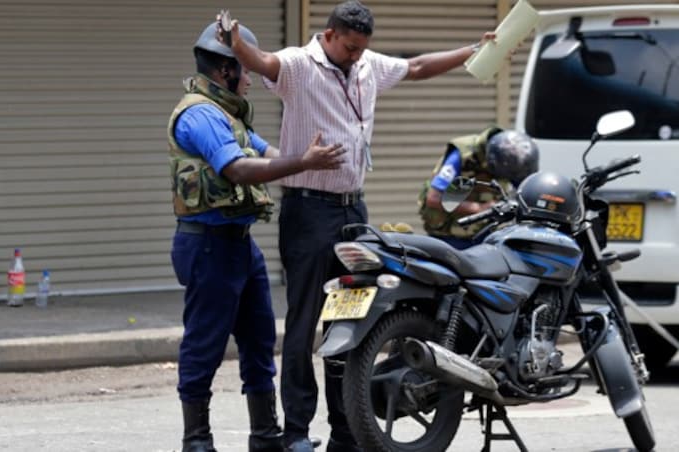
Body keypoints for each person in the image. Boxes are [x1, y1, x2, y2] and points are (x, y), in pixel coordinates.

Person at [226, 2, 496, 450]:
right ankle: (296, 432)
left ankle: (345, 431)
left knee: (351, 321)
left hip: (354, 212)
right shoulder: (299, 65)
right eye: (349, 48)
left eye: (361, 49)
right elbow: (262, 62)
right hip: (309, 212)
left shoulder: (367, 64)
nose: (355, 57)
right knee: (305, 322)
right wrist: (236, 43)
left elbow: (417, 67)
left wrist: (472, 48)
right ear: (329, 35)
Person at [168, 20, 345, 452]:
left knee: (260, 339)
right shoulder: (200, 114)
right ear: (225, 69)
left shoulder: (229, 114)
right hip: (208, 245)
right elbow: (238, 169)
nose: (250, 77)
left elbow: (268, 154)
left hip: (238, 245)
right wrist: (304, 163)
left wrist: (309, 154)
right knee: (204, 343)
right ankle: (197, 440)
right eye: (245, 70)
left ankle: (265, 436)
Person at [419, 128, 540, 249]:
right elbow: (434, 198)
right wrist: (478, 208)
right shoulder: (463, 155)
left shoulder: (511, 159)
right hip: (448, 235)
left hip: (484, 234)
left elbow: (522, 190)